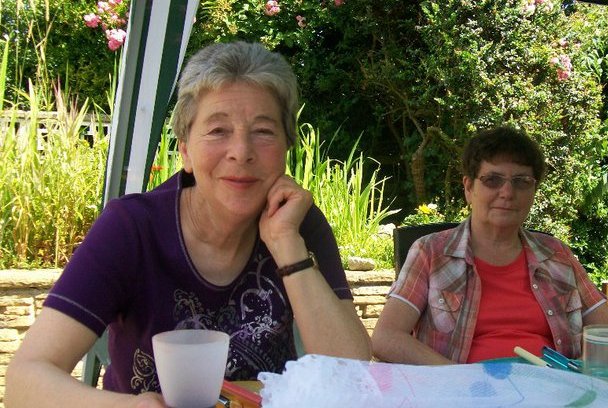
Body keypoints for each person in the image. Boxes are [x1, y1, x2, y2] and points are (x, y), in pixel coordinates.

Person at [6, 41, 371, 408]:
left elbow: (352, 377)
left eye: (263, 131)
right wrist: (134, 407)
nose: (241, 152)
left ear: (286, 147)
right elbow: (24, 382)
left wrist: (286, 244)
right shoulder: (132, 228)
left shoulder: (298, 222)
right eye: (218, 130)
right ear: (185, 151)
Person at [371, 126, 608, 365]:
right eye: (492, 180)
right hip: (460, 389)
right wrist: (454, 377)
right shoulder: (431, 252)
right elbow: (386, 337)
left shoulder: (556, 254)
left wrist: (579, 377)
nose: (507, 192)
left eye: (522, 181)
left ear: (534, 191)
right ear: (469, 188)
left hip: (550, 388)